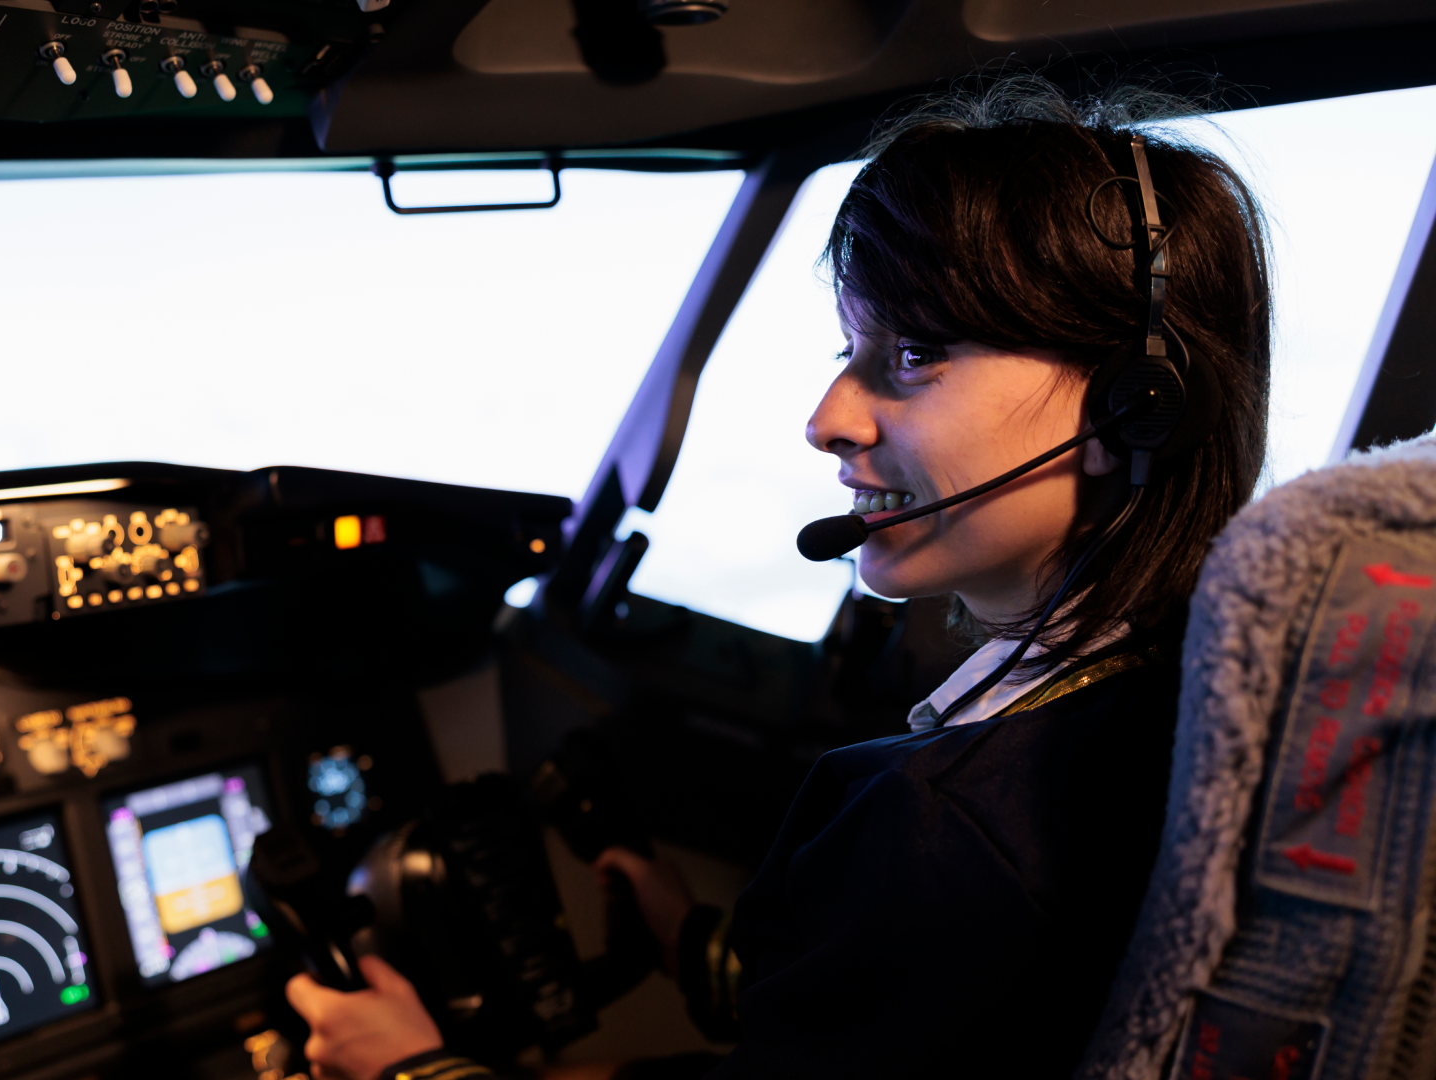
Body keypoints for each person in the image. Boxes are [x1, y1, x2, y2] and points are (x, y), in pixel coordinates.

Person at [286, 76, 1272, 1080]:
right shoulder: (1188, 700)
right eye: (852, 348)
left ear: (1133, 406)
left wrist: (412, 1071)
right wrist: (696, 946)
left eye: (917, 352)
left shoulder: (964, 829)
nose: (828, 417)